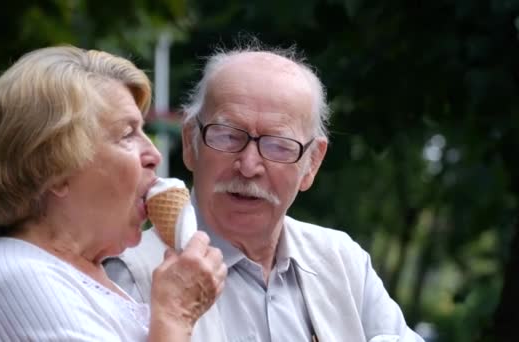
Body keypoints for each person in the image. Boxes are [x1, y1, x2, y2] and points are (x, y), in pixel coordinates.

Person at [105, 42, 424, 341]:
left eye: (278, 145)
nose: (248, 165)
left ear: (312, 163)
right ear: (191, 142)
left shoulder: (342, 261)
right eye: (228, 136)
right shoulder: (129, 275)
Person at [0, 46, 227, 341]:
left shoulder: (79, 272)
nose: (154, 154)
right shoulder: (22, 277)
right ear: (53, 169)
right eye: (127, 134)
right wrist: (175, 314)